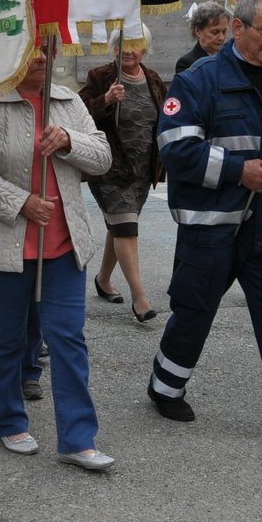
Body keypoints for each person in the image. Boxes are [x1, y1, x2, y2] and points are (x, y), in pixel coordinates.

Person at [147, 0, 262, 447]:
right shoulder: (197, 80)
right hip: (212, 228)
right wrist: (239, 171)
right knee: (193, 312)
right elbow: (175, 148)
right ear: (238, 29)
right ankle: (165, 386)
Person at [0, 43, 116, 471]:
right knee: (7, 337)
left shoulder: (68, 101)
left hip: (62, 247)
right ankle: (9, 420)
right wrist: (22, 202)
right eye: (33, 49)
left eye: (49, 48)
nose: (43, 57)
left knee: (67, 337)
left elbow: (102, 158)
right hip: (3, 245)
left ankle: (78, 438)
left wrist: (69, 141)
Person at [78, 26, 167, 320]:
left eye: (136, 44)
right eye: (123, 44)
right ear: (114, 47)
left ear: (145, 49)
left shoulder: (153, 80)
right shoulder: (100, 77)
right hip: (109, 168)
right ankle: (140, 299)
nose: (129, 50)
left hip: (142, 171)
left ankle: (103, 279)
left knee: (120, 227)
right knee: (126, 227)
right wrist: (105, 100)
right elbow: (78, 113)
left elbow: (166, 119)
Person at [175, 0, 230, 75]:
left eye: (224, 32)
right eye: (215, 32)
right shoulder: (186, 64)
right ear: (198, 31)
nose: (221, 38)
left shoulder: (230, 59)